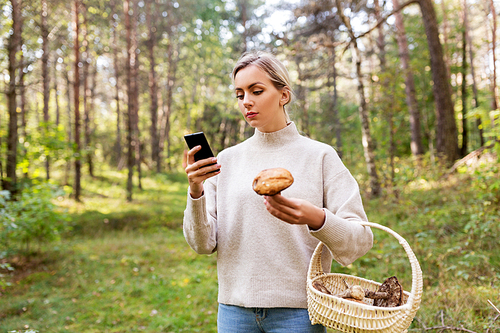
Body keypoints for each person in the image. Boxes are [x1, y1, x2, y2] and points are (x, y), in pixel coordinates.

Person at [183, 51, 373, 333]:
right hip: (234, 312)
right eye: (239, 94)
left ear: (284, 95)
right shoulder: (226, 160)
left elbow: (360, 242)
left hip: (299, 314)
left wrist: (318, 219)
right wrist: (196, 191)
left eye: (256, 91)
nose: (246, 101)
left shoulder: (320, 156)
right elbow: (202, 244)